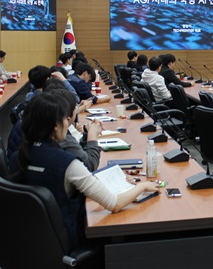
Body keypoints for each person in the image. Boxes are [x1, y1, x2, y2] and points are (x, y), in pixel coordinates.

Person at [9, 92, 159, 247]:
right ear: (55, 125)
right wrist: (143, 186)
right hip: (68, 241)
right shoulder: (67, 163)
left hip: (28, 241)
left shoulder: (16, 158)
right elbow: (115, 204)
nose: (68, 123)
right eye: (65, 119)